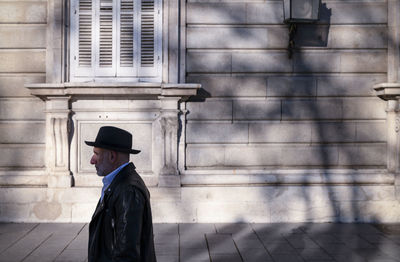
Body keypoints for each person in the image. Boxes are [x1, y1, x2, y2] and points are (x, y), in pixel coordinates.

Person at [86, 126, 157, 262]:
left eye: (97, 153)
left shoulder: (127, 191)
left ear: (112, 156)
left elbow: (127, 254)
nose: (92, 160)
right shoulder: (118, 184)